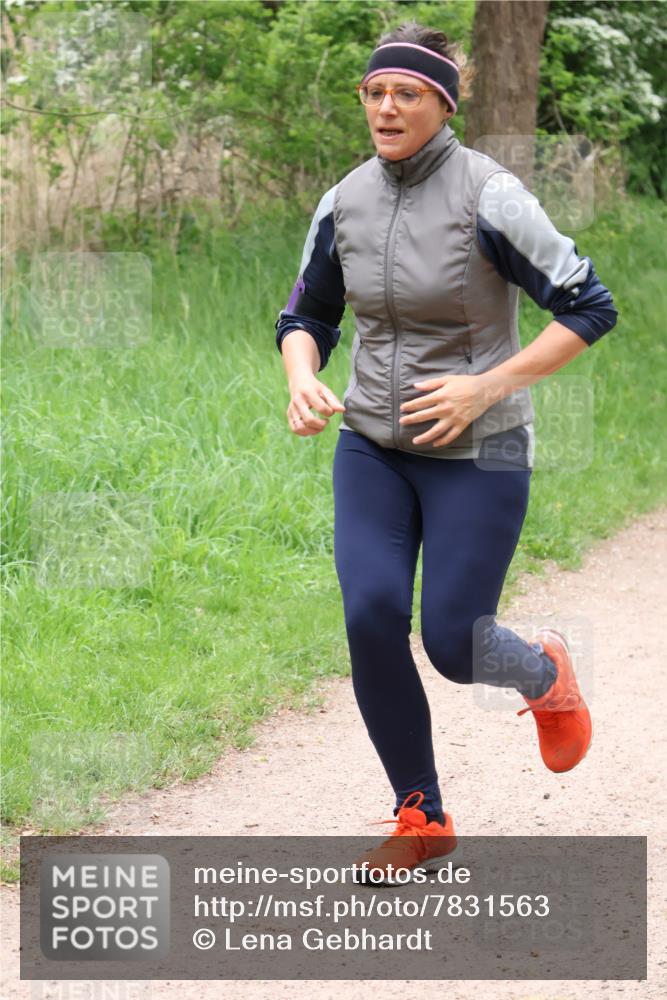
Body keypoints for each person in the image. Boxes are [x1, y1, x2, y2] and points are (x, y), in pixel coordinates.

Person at [274, 21, 617, 883]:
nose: (386, 107)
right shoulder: (344, 199)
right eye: (374, 93)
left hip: (482, 449)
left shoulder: (489, 195)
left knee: (455, 643)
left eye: (406, 94)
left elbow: (588, 306)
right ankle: (420, 813)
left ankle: (544, 674)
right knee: (369, 616)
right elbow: (306, 317)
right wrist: (301, 378)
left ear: (442, 105)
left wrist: (485, 386)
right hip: (374, 448)